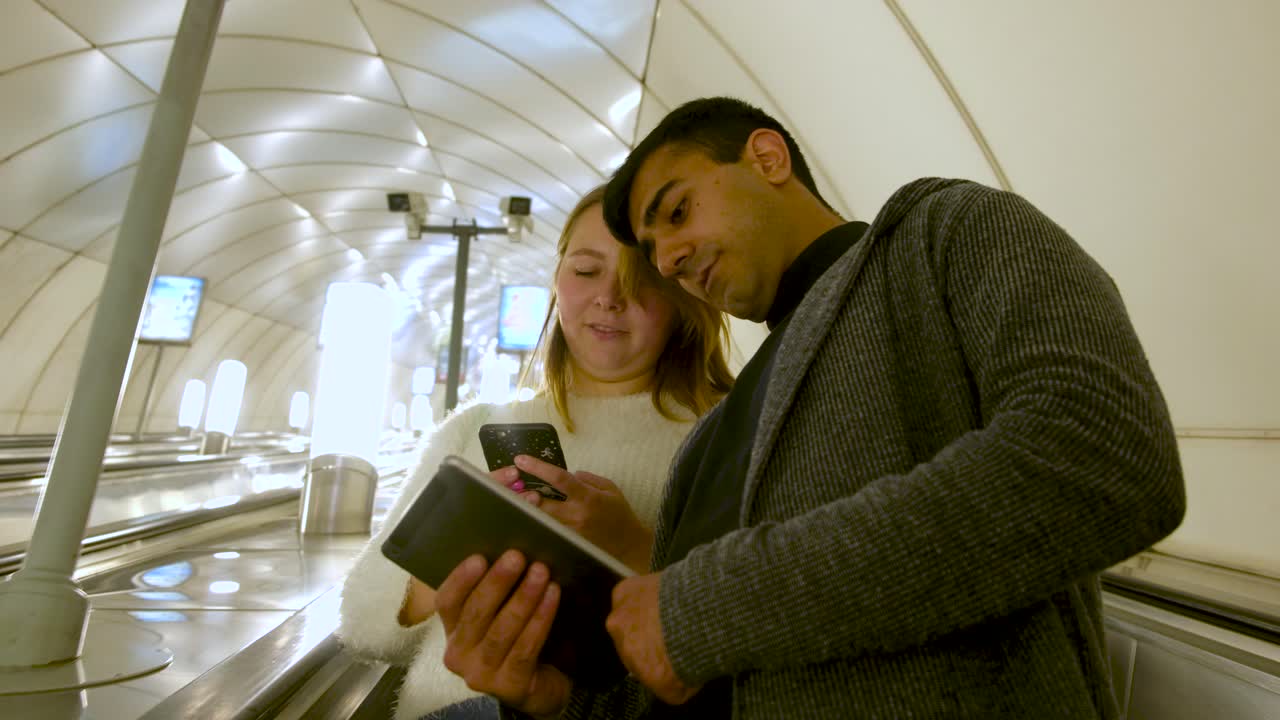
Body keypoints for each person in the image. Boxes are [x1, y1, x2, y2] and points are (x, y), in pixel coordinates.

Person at [430, 96, 1187, 719]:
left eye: (677, 210)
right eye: (655, 251)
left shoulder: (944, 234)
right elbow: (682, 675)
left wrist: (709, 605)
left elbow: (1102, 452)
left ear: (767, 158)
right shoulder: (713, 438)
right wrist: (551, 699)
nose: (668, 260)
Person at [336, 184, 733, 720]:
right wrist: (465, 552)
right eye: (586, 271)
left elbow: (736, 640)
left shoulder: (722, 438)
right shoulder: (479, 426)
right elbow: (362, 621)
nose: (608, 298)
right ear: (557, 280)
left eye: (640, 279)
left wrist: (635, 549)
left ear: (681, 296)